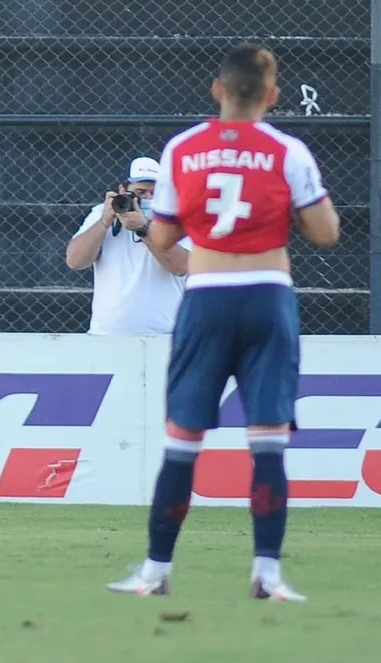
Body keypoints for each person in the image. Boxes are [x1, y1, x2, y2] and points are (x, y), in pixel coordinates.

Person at [105, 43, 340, 601]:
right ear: (273, 96)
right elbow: (326, 232)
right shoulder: (288, 150)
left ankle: (155, 572)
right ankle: (268, 573)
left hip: (207, 296)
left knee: (183, 441)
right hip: (267, 296)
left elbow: (161, 238)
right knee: (267, 443)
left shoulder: (183, 149)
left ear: (218, 90)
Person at [66, 157, 192, 335]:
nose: (148, 198)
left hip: (163, 334)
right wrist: (105, 221)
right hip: (107, 334)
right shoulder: (101, 213)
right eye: (140, 193)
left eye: (154, 193)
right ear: (122, 191)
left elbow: (181, 267)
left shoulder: (175, 219)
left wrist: (144, 228)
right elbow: (75, 261)